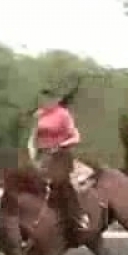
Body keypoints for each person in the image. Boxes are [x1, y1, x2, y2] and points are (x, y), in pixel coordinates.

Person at [29, 88, 90, 232]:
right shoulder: (38, 115)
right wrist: (31, 151)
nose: (44, 102)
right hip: (42, 154)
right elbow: (32, 137)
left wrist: (60, 145)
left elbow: (76, 137)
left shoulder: (63, 114)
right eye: (41, 99)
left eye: (47, 99)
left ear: (54, 100)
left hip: (60, 154)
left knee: (61, 181)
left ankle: (79, 216)